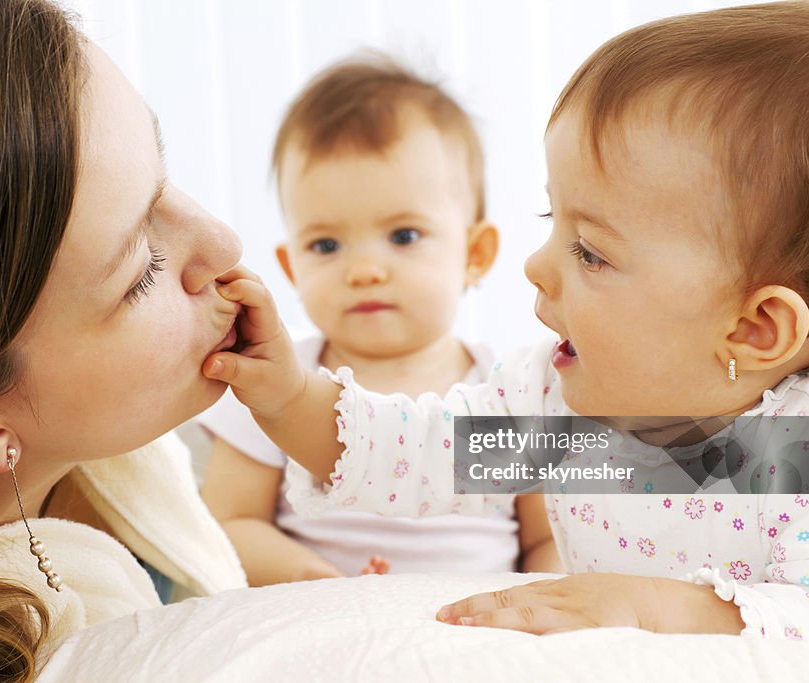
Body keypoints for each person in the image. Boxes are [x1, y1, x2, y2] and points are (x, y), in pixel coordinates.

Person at [204, 0, 809, 641]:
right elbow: (403, 451)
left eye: (591, 251)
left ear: (753, 329)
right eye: (555, 222)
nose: (533, 266)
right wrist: (290, 393)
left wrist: (650, 604)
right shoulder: (552, 413)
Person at [0, 1, 248, 680]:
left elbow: (433, 441)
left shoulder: (125, 447)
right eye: (141, 269)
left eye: (162, 178)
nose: (223, 243)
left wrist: (485, 470)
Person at [200, 54, 559, 585]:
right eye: (326, 244)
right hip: (326, 619)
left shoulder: (510, 391)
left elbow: (545, 539)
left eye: (403, 236)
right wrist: (310, 577)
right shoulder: (270, 382)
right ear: (291, 267)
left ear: (474, 253)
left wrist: (549, 596)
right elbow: (229, 522)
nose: (364, 270)